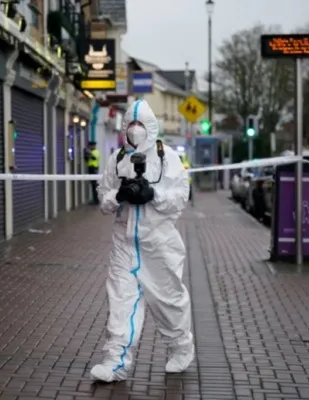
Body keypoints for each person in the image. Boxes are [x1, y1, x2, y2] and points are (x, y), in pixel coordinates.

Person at [91, 99, 193, 383]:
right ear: (124, 127)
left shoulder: (167, 157)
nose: (135, 130)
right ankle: (116, 362)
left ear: (151, 127)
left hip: (159, 244)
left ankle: (181, 347)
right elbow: (104, 200)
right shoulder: (118, 159)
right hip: (124, 244)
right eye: (131, 125)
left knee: (168, 301)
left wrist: (153, 195)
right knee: (120, 302)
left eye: (140, 125)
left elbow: (179, 200)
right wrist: (119, 195)